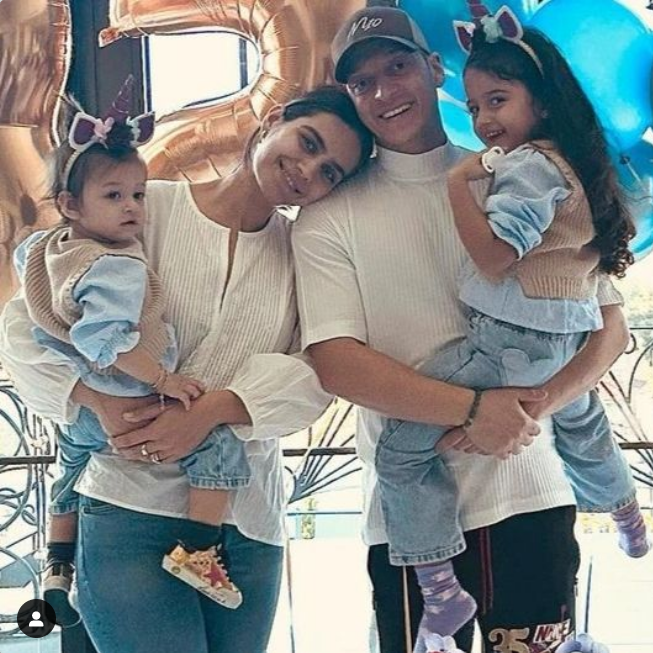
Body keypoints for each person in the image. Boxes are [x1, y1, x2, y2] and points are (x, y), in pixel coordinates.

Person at [292, 6, 630, 653]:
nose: (384, 91)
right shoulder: (326, 217)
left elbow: (606, 326)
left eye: (398, 66)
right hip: (412, 529)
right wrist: (475, 410)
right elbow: (337, 363)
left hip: (529, 492)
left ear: (435, 68)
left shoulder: (520, 174)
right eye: (363, 82)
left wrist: (533, 407)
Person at [0, 84, 374, 653]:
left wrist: (215, 410)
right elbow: (27, 323)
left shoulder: (310, 253)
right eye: (307, 142)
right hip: (127, 507)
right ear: (274, 119)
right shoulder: (142, 207)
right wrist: (97, 400)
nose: (307, 170)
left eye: (329, 172)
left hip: (246, 524)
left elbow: (318, 373)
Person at [15, 78, 256, 621]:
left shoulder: (48, 249)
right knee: (220, 449)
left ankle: (57, 560)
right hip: (127, 398)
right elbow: (105, 343)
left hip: (82, 409)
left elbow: (31, 294)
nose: (132, 208)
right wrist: (163, 380)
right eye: (114, 196)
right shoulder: (116, 266)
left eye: (138, 195)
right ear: (70, 204)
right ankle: (199, 551)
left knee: (70, 464)